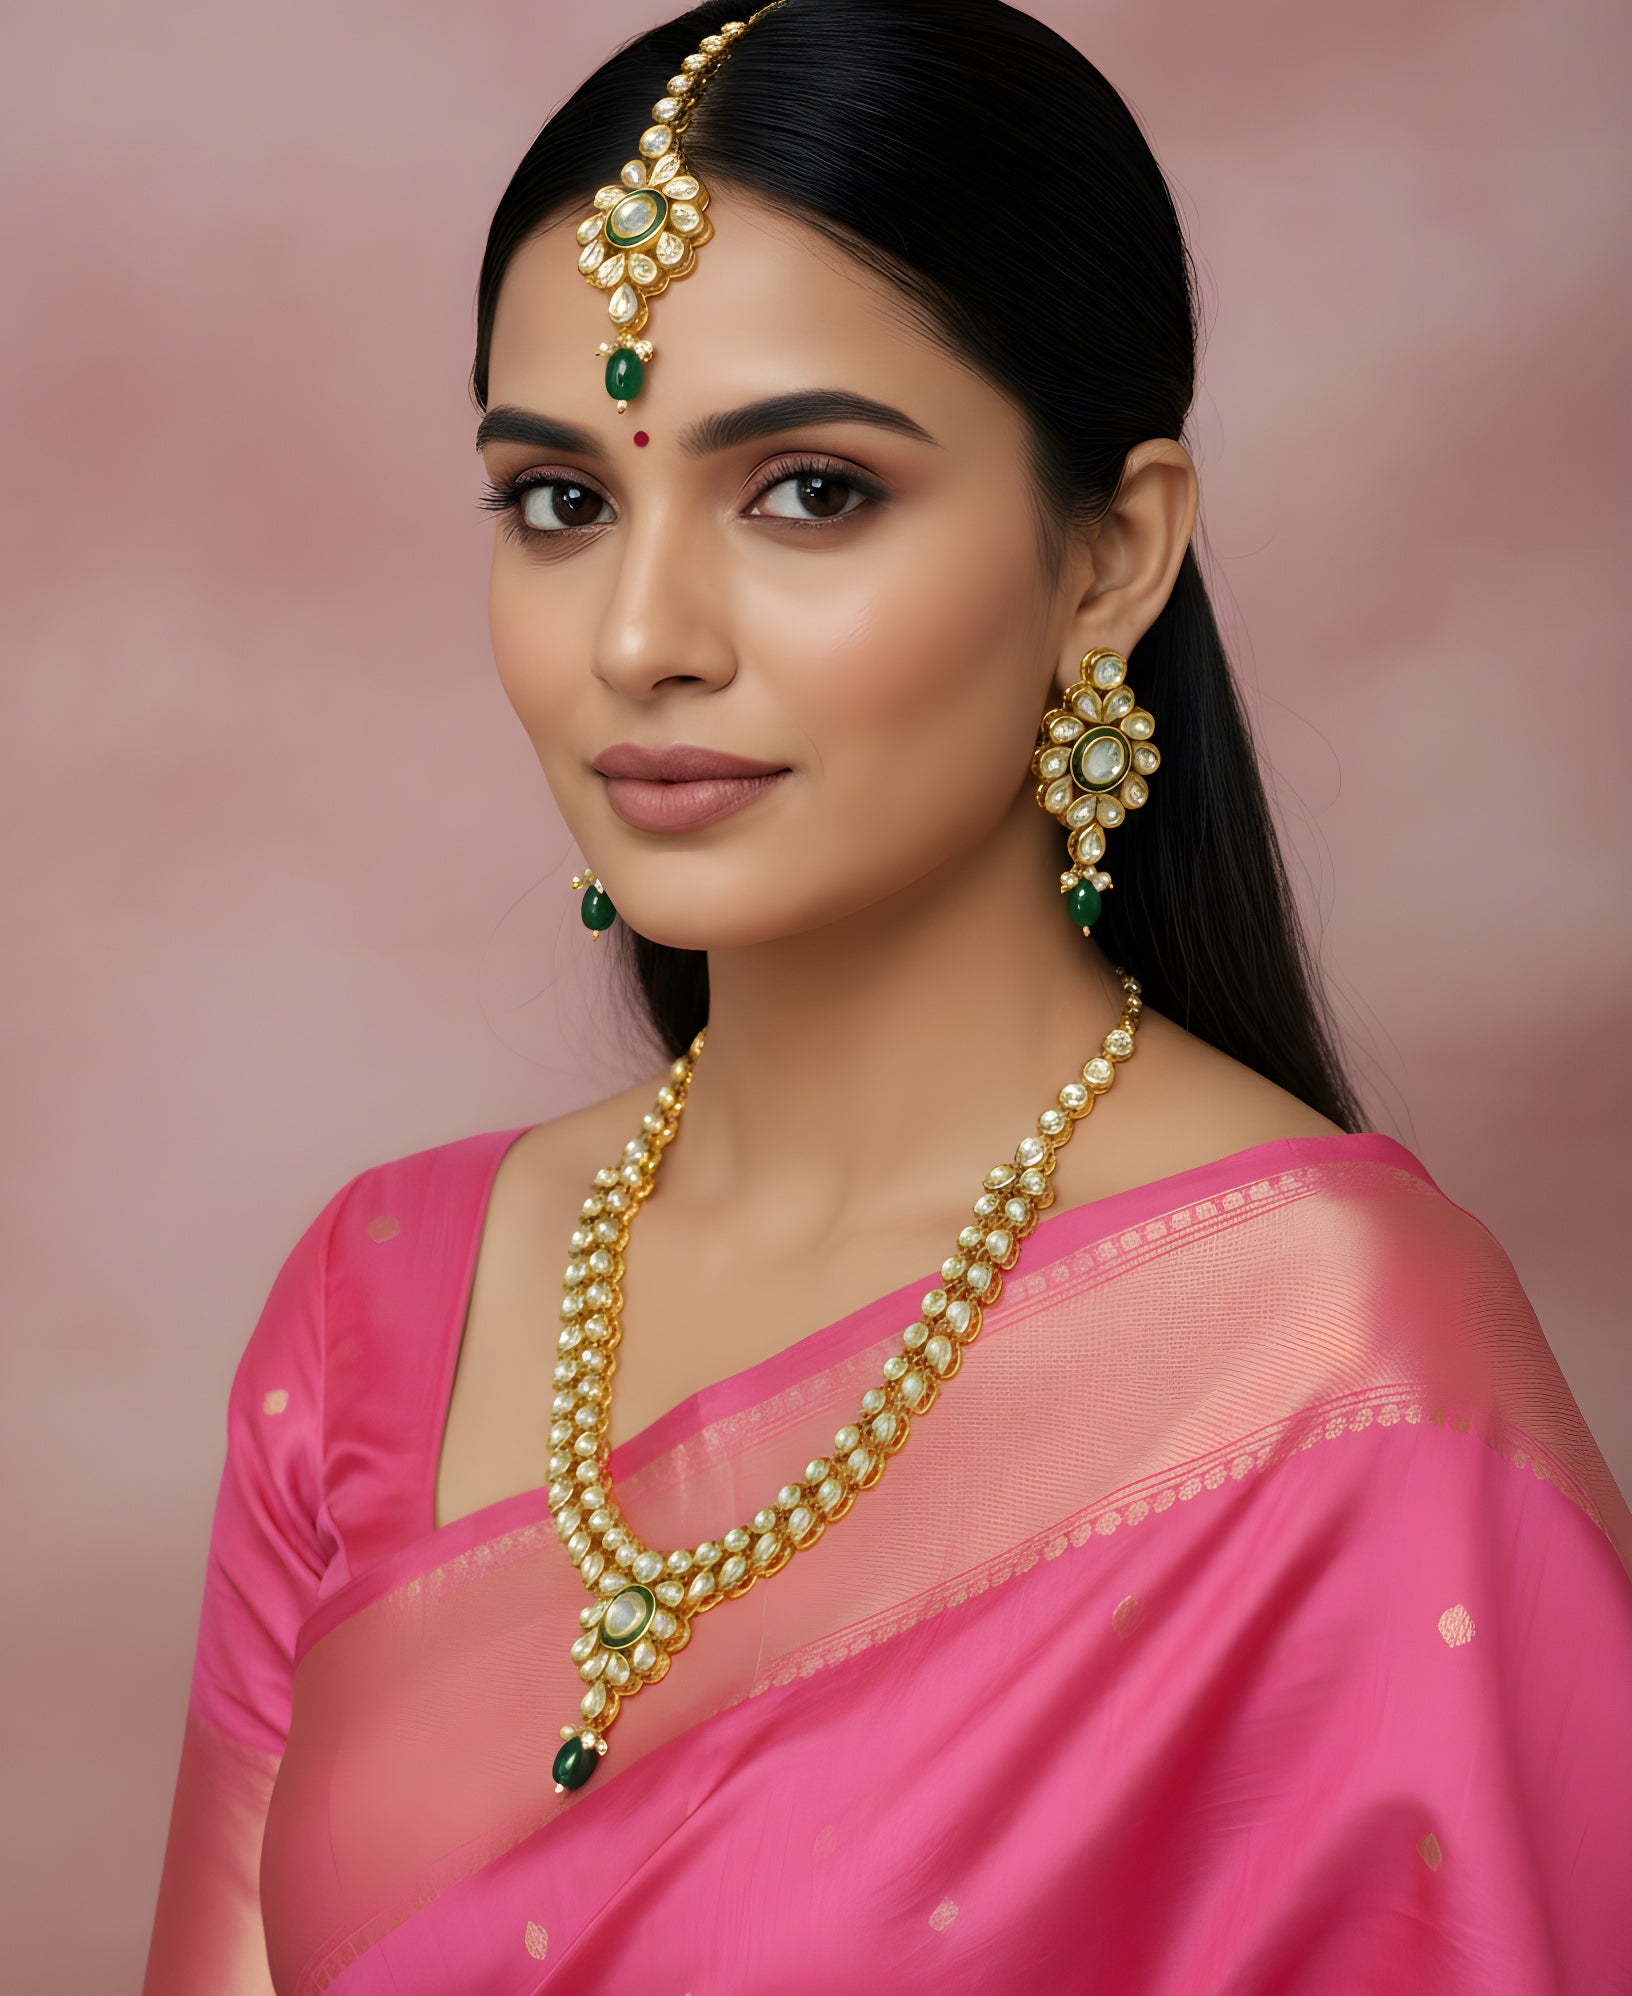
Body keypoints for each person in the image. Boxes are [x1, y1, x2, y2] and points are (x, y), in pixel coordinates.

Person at [142, 2, 1632, 1988]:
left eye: (811, 491)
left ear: (1109, 557)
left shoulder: (1341, 1366)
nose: (644, 637)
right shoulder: (378, 1306)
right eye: (561, 501)